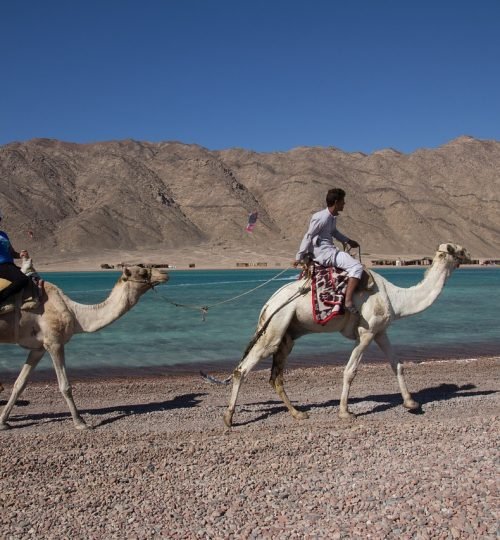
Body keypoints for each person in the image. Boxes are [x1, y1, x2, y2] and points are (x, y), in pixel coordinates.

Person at [294, 188, 362, 313]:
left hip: (329, 251)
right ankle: (347, 301)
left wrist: (348, 241)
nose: (344, 204)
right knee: (357, 267)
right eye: (343, 201)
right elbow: (309, 235)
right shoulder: (322, 218)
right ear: (336, 202)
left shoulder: (332, 217)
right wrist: (299, 257)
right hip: (326, 254)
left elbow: (334, 232)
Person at [0, 210, 30, 305]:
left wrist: (20, 255)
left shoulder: (3, 235)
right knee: (22, 280)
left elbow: (11, 252)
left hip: (10, 265)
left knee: (31, 276)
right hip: (1, 266)